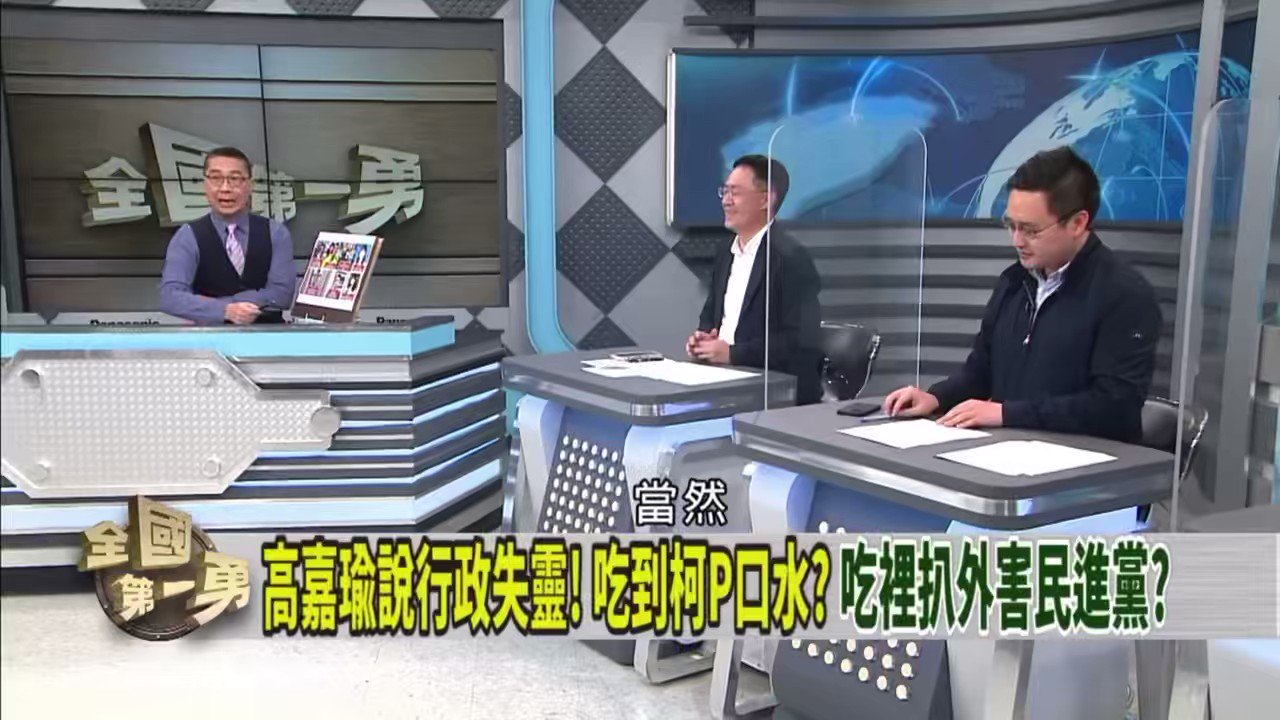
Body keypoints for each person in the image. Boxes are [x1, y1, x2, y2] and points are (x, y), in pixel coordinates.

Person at [883, 147, 1160, 443]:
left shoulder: (1124, 295)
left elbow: (1113, 408)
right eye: (1011, 225)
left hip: (1089, 462)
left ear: (1077, 223)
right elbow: (981, 373)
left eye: (1030, 230)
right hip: (1009, 452)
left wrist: (1006, 414)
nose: (1017, 241)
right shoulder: (1014, 283)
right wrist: (936, 397)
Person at [686, 155, 823, 405]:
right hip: (723, 379)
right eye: (724, 191)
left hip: (773, 391)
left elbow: (799, 340)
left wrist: (732, 354)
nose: (726, 200)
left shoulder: (790, 258)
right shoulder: (725, 251)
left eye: (735, 192)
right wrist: (703, 339)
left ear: (765, 199)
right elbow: (710, 314)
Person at [159, 146, 296, 325]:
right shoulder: (187, 236)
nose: (225, 188)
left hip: (268, 336)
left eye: (235, 179)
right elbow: (170, 297)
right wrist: (225, 311)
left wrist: (219, 303)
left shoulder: (276, 232)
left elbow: (282, 295)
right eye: (216, 178)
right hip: (210, 338)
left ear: (250, 186)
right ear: (205, 185)